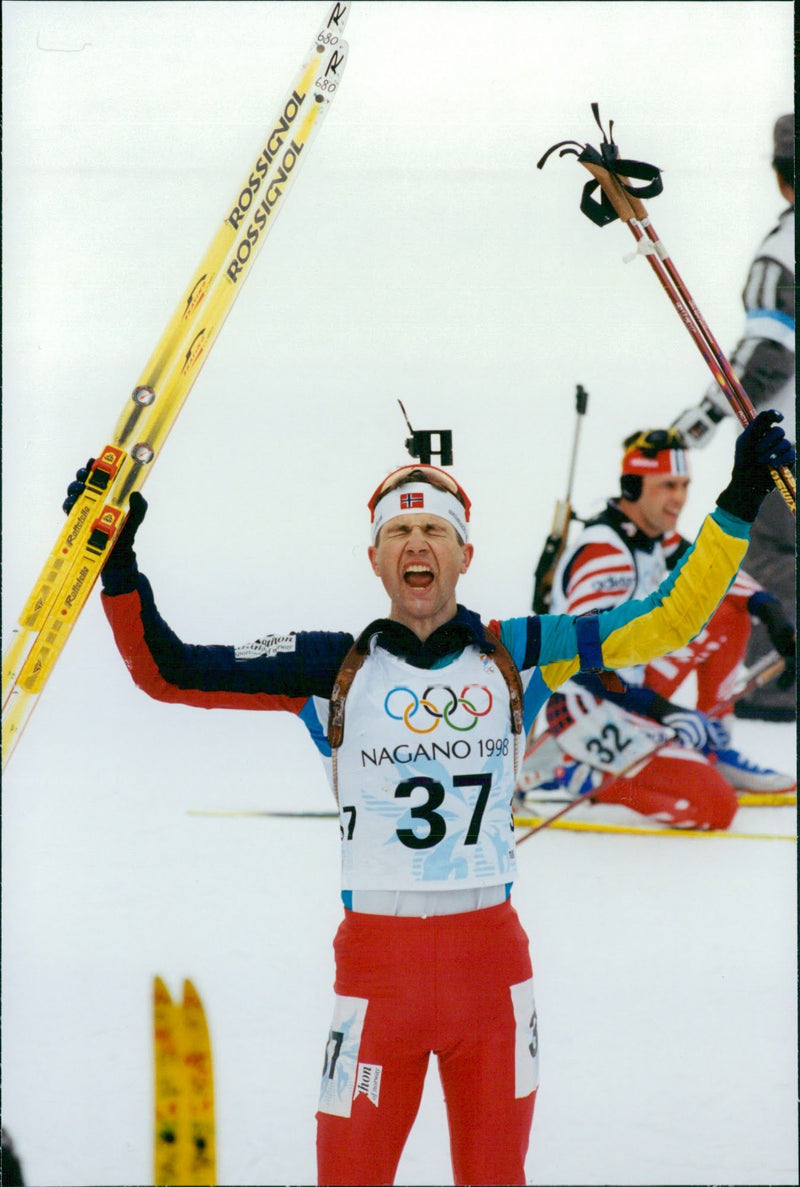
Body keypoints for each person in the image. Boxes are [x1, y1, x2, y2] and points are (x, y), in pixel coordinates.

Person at [65, 411, 792, 1186]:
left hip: (492, 970)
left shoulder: (517, 652)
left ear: (464, 553)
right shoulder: (330, 667)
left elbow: (665, 619)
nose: (417, 544)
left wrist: (740, 499)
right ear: (374, 557)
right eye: (399, 530)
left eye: (436, 529)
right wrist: (119, 565)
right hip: (378, 977)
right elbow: (167, 670)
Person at [527, 427, 796, 833]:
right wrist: (664, 711)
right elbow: (578, 660)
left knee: (729, 613)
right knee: (715, 808)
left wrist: (772, 612)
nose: (680, 498)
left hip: (629, 688)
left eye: (684, 484)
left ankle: (712, 745)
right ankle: (583, 775)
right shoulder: (606, 554)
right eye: (667, 485)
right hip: (589, 706)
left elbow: (710, 570)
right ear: (633, 487)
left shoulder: (652, 536)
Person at [672, 113, 796, 721]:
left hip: (790, 448)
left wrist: (699, 420)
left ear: (780, 179)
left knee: (770, 554)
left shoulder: (782, 252)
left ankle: (784, 685)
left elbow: (766, 356)